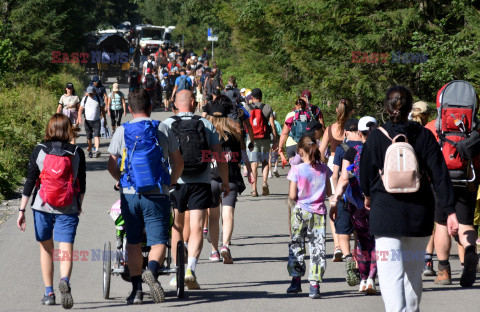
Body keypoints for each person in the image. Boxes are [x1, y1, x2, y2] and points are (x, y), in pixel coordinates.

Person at [359, 85, 459, 311]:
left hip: (385, 214)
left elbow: (364, 175)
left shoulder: (375, 137)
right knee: (413, 275)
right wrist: (450, 210)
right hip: (419, 215)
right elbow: (440, 175)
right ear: (410, 108)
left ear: (386, 108)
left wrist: (367, 196)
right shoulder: (424, 136)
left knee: (391, 276)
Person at [107, 89, 184, 305]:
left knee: (132, 241)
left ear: (129, 109)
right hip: (157, 192)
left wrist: (120, 179)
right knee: (159, 240)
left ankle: (137, 291)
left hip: (130, 194)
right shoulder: (162, 127)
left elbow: (111, 164)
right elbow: (178, 162)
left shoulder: (122, 131)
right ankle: (151, 270)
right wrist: (172, 181)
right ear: (150, 107)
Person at [17, 114, 86, 309]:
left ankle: (48, 293)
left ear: (49, 129)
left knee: (46, 249)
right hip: (68, 206)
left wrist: (22, 209)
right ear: (68, 130)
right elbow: (82, 184)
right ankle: (64, 280)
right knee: (66, 249)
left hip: (42, 205)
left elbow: (30, 180)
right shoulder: (77, 152)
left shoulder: (39, 150)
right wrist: (78, 205)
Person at [163, 90, 230, 290]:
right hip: (201, 181)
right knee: (197, 227)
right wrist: (225, 182)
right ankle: (190, 268)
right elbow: (219, 157)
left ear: (175, 104)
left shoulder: (166, 124)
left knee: (176, 227)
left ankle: (177, 273)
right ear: (194, 103)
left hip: (176, 182)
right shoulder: (206, 124)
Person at [330, 116, 378, 294]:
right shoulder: (382, 150)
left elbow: (343, 178)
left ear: (359, 132)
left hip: (357, 204)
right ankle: (373, 276)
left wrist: (335, 199)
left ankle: (364, 278)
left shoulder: (351, 151)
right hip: (378, 203)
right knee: (376, 241)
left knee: (363, 241)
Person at [206, 96, 254, 263]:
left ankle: (214, 251)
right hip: (231, 175)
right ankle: (225, 245)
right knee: (228, 213)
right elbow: (242, 153)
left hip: (211, 177)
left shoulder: (207, 132)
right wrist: (249, 170)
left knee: (213, 215)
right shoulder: (235, 132)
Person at [286, 135, 332, 299]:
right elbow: (329, 193)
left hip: (300, 211)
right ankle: (314, 285)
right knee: (317, 248)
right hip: (318, 212)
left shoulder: (296, 169)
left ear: (300, 150)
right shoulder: (324, 169)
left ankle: (296, 280)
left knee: (297, 244)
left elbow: (292, 194)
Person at [319, 98, 354, 262]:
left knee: (335, 205)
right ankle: (353, 245)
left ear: (336, 111)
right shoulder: (354, 128)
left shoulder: (331, 128)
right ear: (352, 111)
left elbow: (321, 151)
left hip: (334, 164)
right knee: (353, 204)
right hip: (352, 164)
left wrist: (321, 168)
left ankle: (337, 246)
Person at [329, 118, 363, 286]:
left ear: (347, 133)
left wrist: (336, 194)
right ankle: (357, 261)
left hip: (345, 194)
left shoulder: (343, 148)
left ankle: (348, 257)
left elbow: (336, 175)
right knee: (359, 230)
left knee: (343, 229)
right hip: (362, 196)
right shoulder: (367, 145)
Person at [409, 101, 437, 277]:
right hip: (425, 183)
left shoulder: (401, 130)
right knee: (429, 223)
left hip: (403, 183)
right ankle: (427, 260)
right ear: (425, 115)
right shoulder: (429, 132)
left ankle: (409, 260)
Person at [245, 88, 278, 197]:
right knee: (264, 162)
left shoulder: (247, 108)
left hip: (252, 139)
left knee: (254, 164)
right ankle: (264, 183)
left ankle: (254, 190)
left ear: (252, 97)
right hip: (265, 138)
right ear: (261, 96)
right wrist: (275, 140)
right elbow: (272, 125)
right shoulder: (267, 107)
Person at [279, 98, 315, 163]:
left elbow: (284, 133)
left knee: (294, 166)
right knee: (305, 165)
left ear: (296, 106)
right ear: (304, 106)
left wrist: (280, 148)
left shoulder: (291, 115)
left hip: (291, 145)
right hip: (305, 145)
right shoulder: (309, 115)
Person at [77, 86, 105, 158]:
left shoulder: (99, 98)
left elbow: (102, 109)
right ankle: (90, 149)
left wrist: (104, 118)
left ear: (94, 93)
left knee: (97, 136)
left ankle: (96, 150)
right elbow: (80, 109)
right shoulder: (85, 99)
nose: (91, 95)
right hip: (87, 121)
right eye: (89, 94)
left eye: (92, 93)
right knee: (89, 137)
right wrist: (79, 117)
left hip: (97, 120)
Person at [269, 111, 283, 178]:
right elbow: (280, 133)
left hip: (268, 141)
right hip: (275, 140)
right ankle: (275, 168)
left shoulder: (267, 123)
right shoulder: (277, 123)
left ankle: (269, 173)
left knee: (269, 157)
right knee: (276, 155)